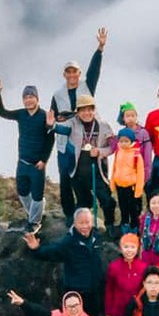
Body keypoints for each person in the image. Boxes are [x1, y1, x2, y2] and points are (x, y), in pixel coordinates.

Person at [52, 37, 110, 219]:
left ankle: (98, 214)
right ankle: (70, 216)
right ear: (64, 74)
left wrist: (100, 49)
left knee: (96, 178)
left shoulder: (87, 86)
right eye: (68, 72)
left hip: (91, 140)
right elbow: (52, 119)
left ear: (79, 73)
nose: (71, 75)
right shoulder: (58, 94)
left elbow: (95, 71)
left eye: (74, 72)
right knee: (66, 180)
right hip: (67, 144)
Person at [22, 206, 108, 316]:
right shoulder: (68, 242)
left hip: (94, 291)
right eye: (81, 223)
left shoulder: (97, 237)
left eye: (87, 222)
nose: (84, 226)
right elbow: (51, 252)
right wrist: (36, 249)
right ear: (75, 223)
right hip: (77, 293)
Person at [0, 80, 57, 229]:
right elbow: (2, 112)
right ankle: (35, 214)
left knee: (36, 195)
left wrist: (44, 160)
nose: (28, 99)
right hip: (22, 162)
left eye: (31, 96)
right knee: (22, 193)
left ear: (37, 99)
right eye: (26, 97)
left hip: (37, 165)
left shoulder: (44, 116)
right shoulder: (21, 114)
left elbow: (50, 139)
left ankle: (34, 223)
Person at [107, 105, 151, 231]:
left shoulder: (137, 153)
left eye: (133, 115)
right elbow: (114, 167)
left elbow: (142, 170)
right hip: (121, 185)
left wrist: (140, 188)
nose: (124, 143)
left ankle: (135, 227)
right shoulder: (119, 151)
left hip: (133, 186)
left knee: (134, 208)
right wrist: (113, 183)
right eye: (121, 141)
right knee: (123, 206)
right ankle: (124, 225)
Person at [103, 232, 147, 316]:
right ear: (121, 248)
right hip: (118, 313)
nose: (129, 250)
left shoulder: (143, 267)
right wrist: (108, 314)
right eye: (126, 247)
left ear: (137, 249)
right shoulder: (114, 267)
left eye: (133, 247)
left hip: (136, 313)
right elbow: (109, 291)